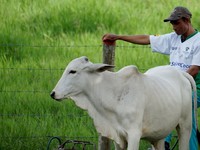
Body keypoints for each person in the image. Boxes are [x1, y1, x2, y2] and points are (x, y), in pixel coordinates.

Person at [102, 6, 200, 150]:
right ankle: (161, 143)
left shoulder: (198, 41)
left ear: (187, 20)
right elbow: (147, 39)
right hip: (174, 86)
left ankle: (178, 145)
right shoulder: (174, 38)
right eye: (172, 24)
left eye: (176, 23)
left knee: (184, 113)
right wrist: (119, 37)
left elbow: (195, 69)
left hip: (192, 87)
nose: (173, 27)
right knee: (162, 107)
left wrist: (172, 84)